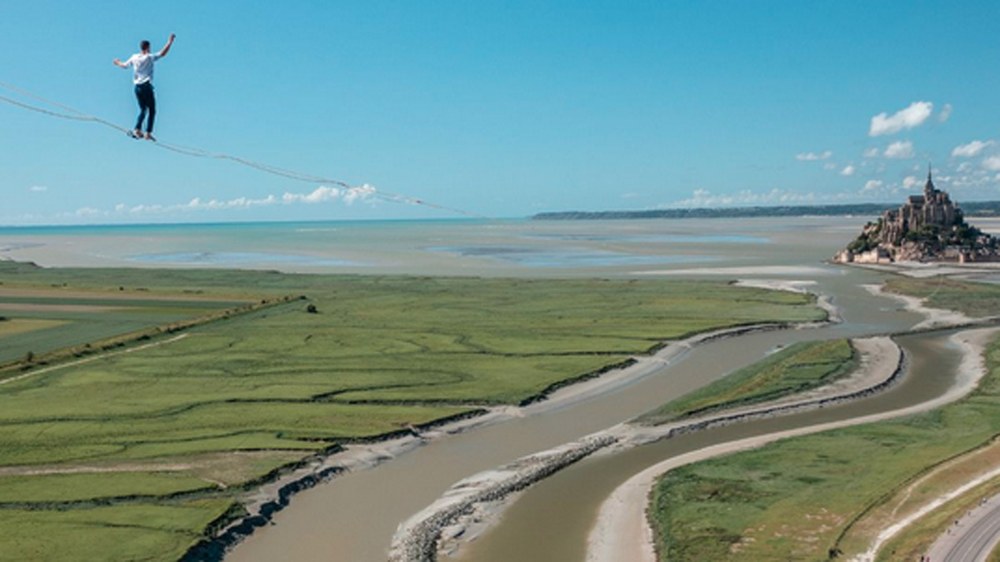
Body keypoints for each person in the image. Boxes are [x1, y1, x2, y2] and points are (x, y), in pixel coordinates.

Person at [113, 34, 175, 140]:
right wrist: (170, 42)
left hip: (137, 87)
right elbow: (162, 53)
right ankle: (148, 133)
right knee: (152, 110)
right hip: (146, 86)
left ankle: (137, 129)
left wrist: (117, 62)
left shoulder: (134, 57)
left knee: (143, 109)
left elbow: (125, 65)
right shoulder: (149, 57)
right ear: (148, 47)